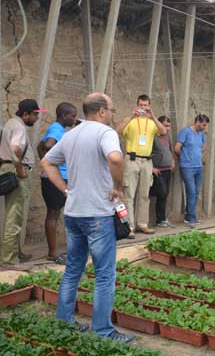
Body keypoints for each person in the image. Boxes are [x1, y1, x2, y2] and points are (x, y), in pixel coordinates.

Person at [41, 92, 134, 343]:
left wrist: (65, 189)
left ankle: (64, 322)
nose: (112, 114)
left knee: (73, 269)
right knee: (104, 274)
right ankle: (103, 331)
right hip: (97, 215)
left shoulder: (71, 134)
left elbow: (46, 162)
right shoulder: (105, 133)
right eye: (111, 110)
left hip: (73, 213)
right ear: (102, 111)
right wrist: (118, 186)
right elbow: (115, 158)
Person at [0, 99, 46, 268]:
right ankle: (9, 260)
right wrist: (19, 169)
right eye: (35, 115)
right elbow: (15, 149)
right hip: (17, 173)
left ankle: (16, 253)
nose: (36, 118)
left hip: (9, 169)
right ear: (26, 114)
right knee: (14, 216)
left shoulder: (10, 123)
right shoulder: (18, 127)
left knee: (15, 215)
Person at [115, 94, 166, 236]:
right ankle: (129, 227)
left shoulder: (152, 122)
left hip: (147, 161)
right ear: (137, 105)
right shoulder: (130, 120)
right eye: (141, 105)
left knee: (144, 194)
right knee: (129, 194)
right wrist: (132, 117)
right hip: (132, 159)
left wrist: (153, 116)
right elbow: (117, 132)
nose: (143, 108)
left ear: (149, 106)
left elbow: (163, 132)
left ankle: (142, 224)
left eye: (145, 105)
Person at [37, 102, 78, 264]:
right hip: (56, 178)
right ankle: (53, 253)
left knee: (55, 212)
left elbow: (40, 146)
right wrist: (50, 166)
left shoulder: (57, 129)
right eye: (72, 116)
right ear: (64, 115)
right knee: (53, 214)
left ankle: (54, 251)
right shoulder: (57, 130)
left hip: (55, 176)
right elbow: (48, 145)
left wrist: (45, 163)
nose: (74, 119)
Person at [175, 114, 209, 227]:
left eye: (206, 125)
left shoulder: (201, 134)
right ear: (197, 122)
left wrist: (200, 158)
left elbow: (202, 147)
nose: (204, 127)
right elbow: (177, 148)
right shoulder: (185, 132)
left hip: (198, 166)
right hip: (187, 167)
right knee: (191, 191)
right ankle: (191, 217)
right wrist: (185, 158)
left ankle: (189, 215)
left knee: (196, 193)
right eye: (203, 125)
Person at [150, 116, 176, 228]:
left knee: (164, 194)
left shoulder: (167, 136)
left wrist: (172, 162)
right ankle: (158, 219)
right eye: (165, 126)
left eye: (169, 126)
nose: (167, 128)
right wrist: (152, 168)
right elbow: (147, 153)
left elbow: (169, 150)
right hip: (158, 170)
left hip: (167, 169)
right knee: (161, 192)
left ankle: (162, 219)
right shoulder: (152, 136)